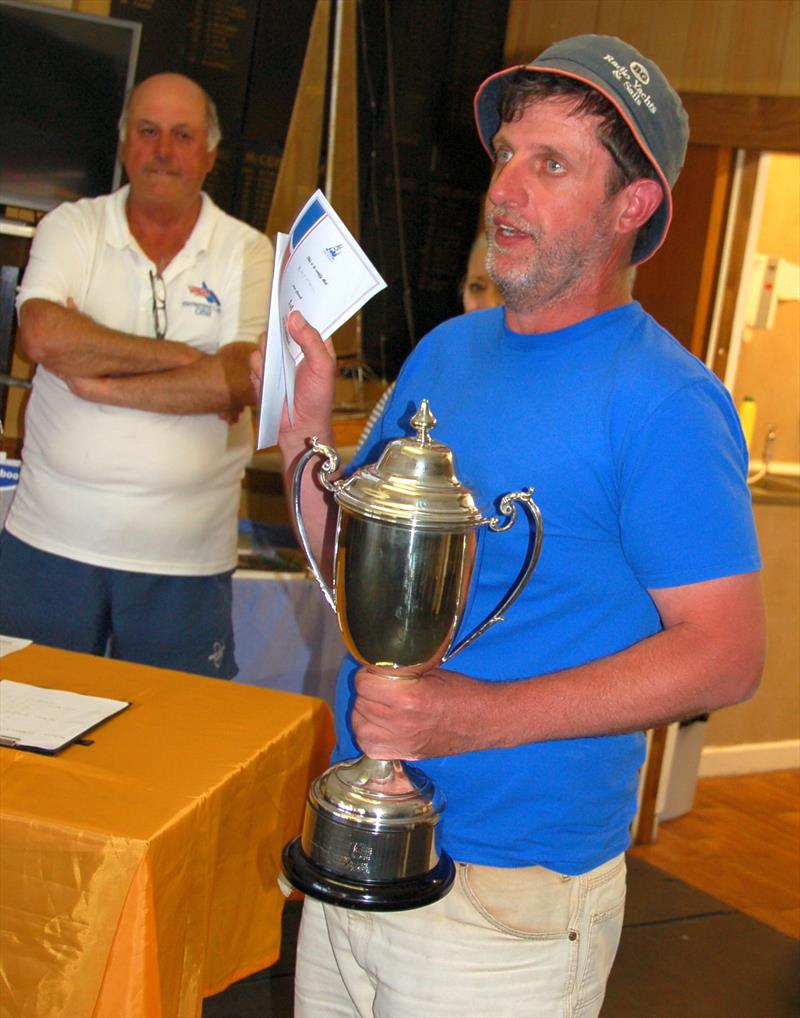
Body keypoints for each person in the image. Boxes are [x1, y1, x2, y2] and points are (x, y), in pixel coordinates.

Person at [255, 34, 766, 1017]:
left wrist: (469, 717)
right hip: (362, 848)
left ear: (632, 205)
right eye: (506, 157)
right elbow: (341, 557)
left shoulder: (664, 400)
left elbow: (724, 657)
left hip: (507, 896)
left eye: (551, 164)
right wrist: (302, 428)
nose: (505, 190)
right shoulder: (447, 352)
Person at [0, 73, 273, 679]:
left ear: (209, 154)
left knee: (173, 756)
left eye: (182, 135)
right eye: (147, 131)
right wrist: (184, 358)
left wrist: (99, 379)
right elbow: (42, 336)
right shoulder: (71, 227)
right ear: (125, 144)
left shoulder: (248, 252)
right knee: (20, 742)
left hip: (185, 564)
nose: (163, 150)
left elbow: (239, 381)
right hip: (48, 548)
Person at [356, 231, 502, 455]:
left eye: (504, 290)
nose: (489, 304)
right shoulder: (419, 378)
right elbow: (357, 482)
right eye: (477, 287)